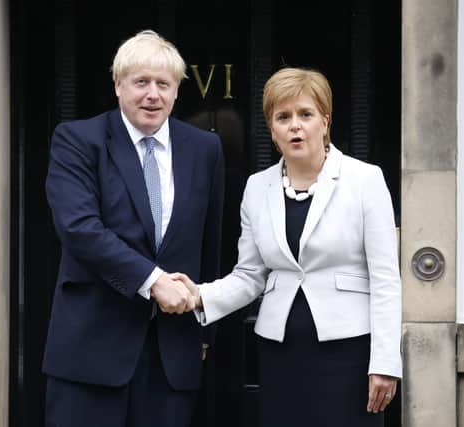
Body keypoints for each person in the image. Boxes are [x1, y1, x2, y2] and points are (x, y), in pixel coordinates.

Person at [174, 67, 401, 426]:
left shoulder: (365, 180)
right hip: (280, 352)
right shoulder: (256, 187)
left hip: (350, 352)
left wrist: (386, 363)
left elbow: (386, 279)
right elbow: (250, 275)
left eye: (305, 114)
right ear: (273, 129)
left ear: (325, 123)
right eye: (283, 117)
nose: (295, 125)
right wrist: (199, 296)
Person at [42, 30, 225, 427]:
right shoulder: (77, 140)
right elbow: (79, 228)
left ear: (177, 91)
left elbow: (209, 243)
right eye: (141, 82)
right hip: (90, 353)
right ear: (118, 85)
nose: (152, 95)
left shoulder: (204, 149)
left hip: (172, 355)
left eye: (164, 84)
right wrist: (153, 280)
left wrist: (204, 332)